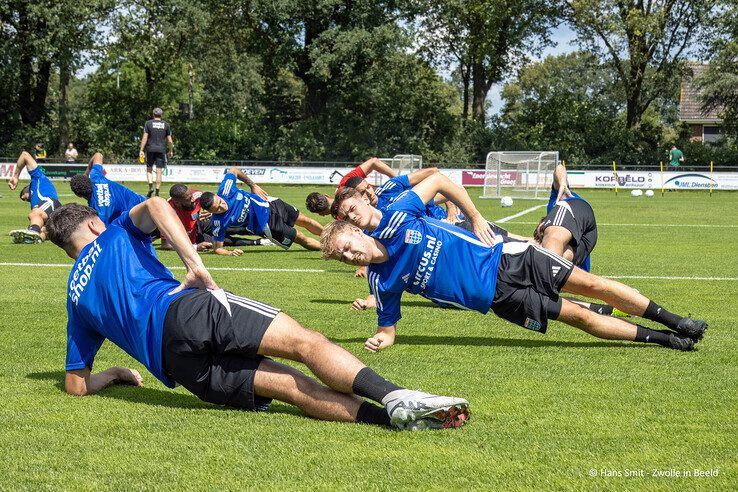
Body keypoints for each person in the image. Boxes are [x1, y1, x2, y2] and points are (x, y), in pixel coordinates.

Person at [44, 200, 470, 430]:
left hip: (176, 365)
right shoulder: (115, 232)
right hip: (186, 309)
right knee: (307, 343)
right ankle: (399, 396)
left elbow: (76, 385)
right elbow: (156, 204)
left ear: (67, 247)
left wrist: (116, 373)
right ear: (95, 226)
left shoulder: (73, 298)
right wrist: (193, 263)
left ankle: (391, 421)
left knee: (294, 388)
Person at [321, 172, 707, 353]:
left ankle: (676, 320)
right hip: (500, 301)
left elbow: (439, 180)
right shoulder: (380, 283)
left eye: (348, 245)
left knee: (594, 286)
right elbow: (388, 327)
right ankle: (665, 340)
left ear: (356, 229)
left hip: (508, 259)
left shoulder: (399, 213)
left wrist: (474, 217)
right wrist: (381, 339)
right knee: (580, 317)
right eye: (342, 257)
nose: (350, 254)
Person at [200, 167, 323, 256]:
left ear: (217, 195)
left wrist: (252, 185)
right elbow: (217, 249)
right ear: (211, 212)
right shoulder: (218, 222)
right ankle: (330, 249)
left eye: (220, 202)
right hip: (267, 225)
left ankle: (335, 237)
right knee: (301, 237)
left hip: (270, 203)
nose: (223, 206)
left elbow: (234, 170)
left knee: (306, 220)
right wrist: (230, 253)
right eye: (218, 209)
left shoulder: (226, 189)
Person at [69, 153, 145, 225]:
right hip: (145, 202)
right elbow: (98, 155)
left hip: (140, 220)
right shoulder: (96, 177)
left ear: (78, 195)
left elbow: (102, 233)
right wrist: (86, 174)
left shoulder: (99, 212)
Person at [305, 157, 397, 216]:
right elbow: (374, 162)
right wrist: (396, 180)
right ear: (327, 196)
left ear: (321, 214)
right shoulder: (344, 182)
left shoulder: (343, 218)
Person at [7, 151, 61, 243]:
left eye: (23, 194)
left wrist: (15, 176)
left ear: (27, 188)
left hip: (51, 203)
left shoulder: (38, 178)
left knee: (35, 214)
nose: (25, 198)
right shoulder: (35, 204)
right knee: (44, 229)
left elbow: (24, 155)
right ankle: (35, 239)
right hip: (55, 214)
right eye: (24, 200)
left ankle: (32, 232)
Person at [138, 107, 173, 197]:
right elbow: (170, 140)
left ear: (153, 114)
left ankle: (150, 187)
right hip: (161, 150)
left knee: (149, 169)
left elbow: (145, 137)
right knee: (159, 171)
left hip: (150, 149)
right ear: (161, 115)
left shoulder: (148, 123)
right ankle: (157, 191)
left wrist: (141, 150)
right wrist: (170, 150)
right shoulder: (166, 125)